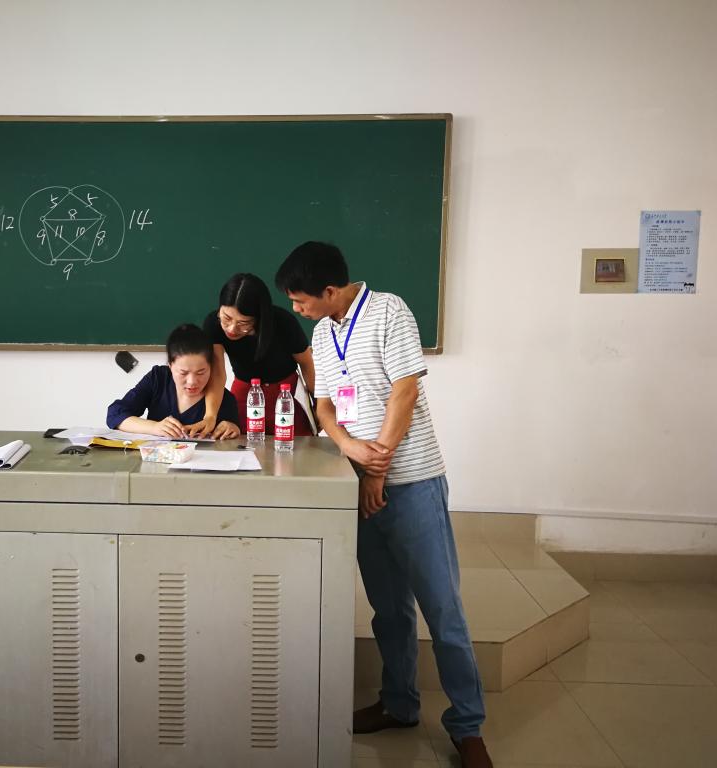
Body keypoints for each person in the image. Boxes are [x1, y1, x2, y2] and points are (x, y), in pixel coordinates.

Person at [275, 242, 492, 768]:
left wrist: (377, 468)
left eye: (301, 301)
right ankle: (399, 704)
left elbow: (404, 394)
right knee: (389, 608)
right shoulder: (322, 333)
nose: (297, 310)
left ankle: (467, 726)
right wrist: (349, 448)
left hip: (412, 482)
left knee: (442, 609)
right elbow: (325, 406)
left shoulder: (390, 311)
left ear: (330, 290)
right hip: (358, 482)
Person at [187, 273, 315, 438]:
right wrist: (210, 416)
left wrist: (318, 404)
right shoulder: (213, 324)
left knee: (298, 444)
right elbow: (217, 372)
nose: (232, 329)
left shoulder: (283, 322)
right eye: (226, 318)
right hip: (245, 390)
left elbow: (307, 364)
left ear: (259, 318)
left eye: (243, 323)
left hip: (285, 393)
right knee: (237, 439)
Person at [107, 323, 241, 439]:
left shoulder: (224, 399)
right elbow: (115, 414)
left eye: (201, 372)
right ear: (170, 366)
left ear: (211, 368)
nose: (192, 382)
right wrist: (155, 427)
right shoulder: (158, 379)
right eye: (183, 373)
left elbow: (235, 434)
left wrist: (232, 429)